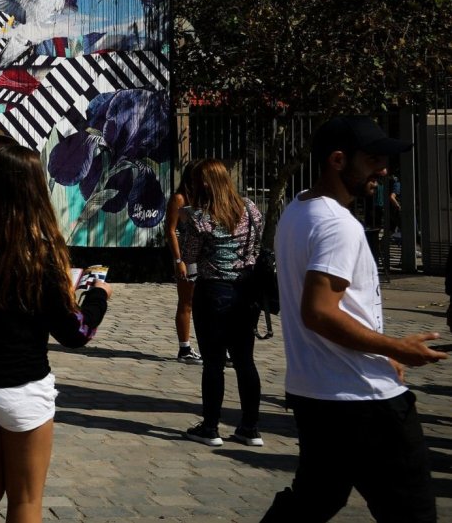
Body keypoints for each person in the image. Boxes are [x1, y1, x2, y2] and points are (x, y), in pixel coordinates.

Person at [261, 116, 445, 523]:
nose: (384, 170)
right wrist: (396, 347)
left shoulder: (298, 209)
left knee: (314, 501)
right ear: (338, 160)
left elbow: (335, 310)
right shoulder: (338, 225)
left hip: (316, 394)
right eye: (374, 160)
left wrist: (382, 353)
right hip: (364, 399)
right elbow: (319, 312)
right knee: (412, 514)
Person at [0, 145, 109, 523]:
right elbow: (75, 333)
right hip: (21, 385)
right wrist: (97, 296)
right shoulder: (38, 249)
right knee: (26, 501)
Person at [176, 159, 264, 447]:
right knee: (245, 360)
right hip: (246, 290)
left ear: (203, 184)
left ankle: (210, 427)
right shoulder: (250, 208)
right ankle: (250, 428)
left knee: (213, 362)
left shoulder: (199, 217)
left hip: (213, 290)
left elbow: (189, 255)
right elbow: (256, 245)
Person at [164, 162, 202, 364]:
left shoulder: (204, 197)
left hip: (205, 256)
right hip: (187, 256)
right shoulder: (179, 198)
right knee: (186, 302)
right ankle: (184, 348)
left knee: (206, 303)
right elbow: (170, 230)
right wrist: (178, 260)